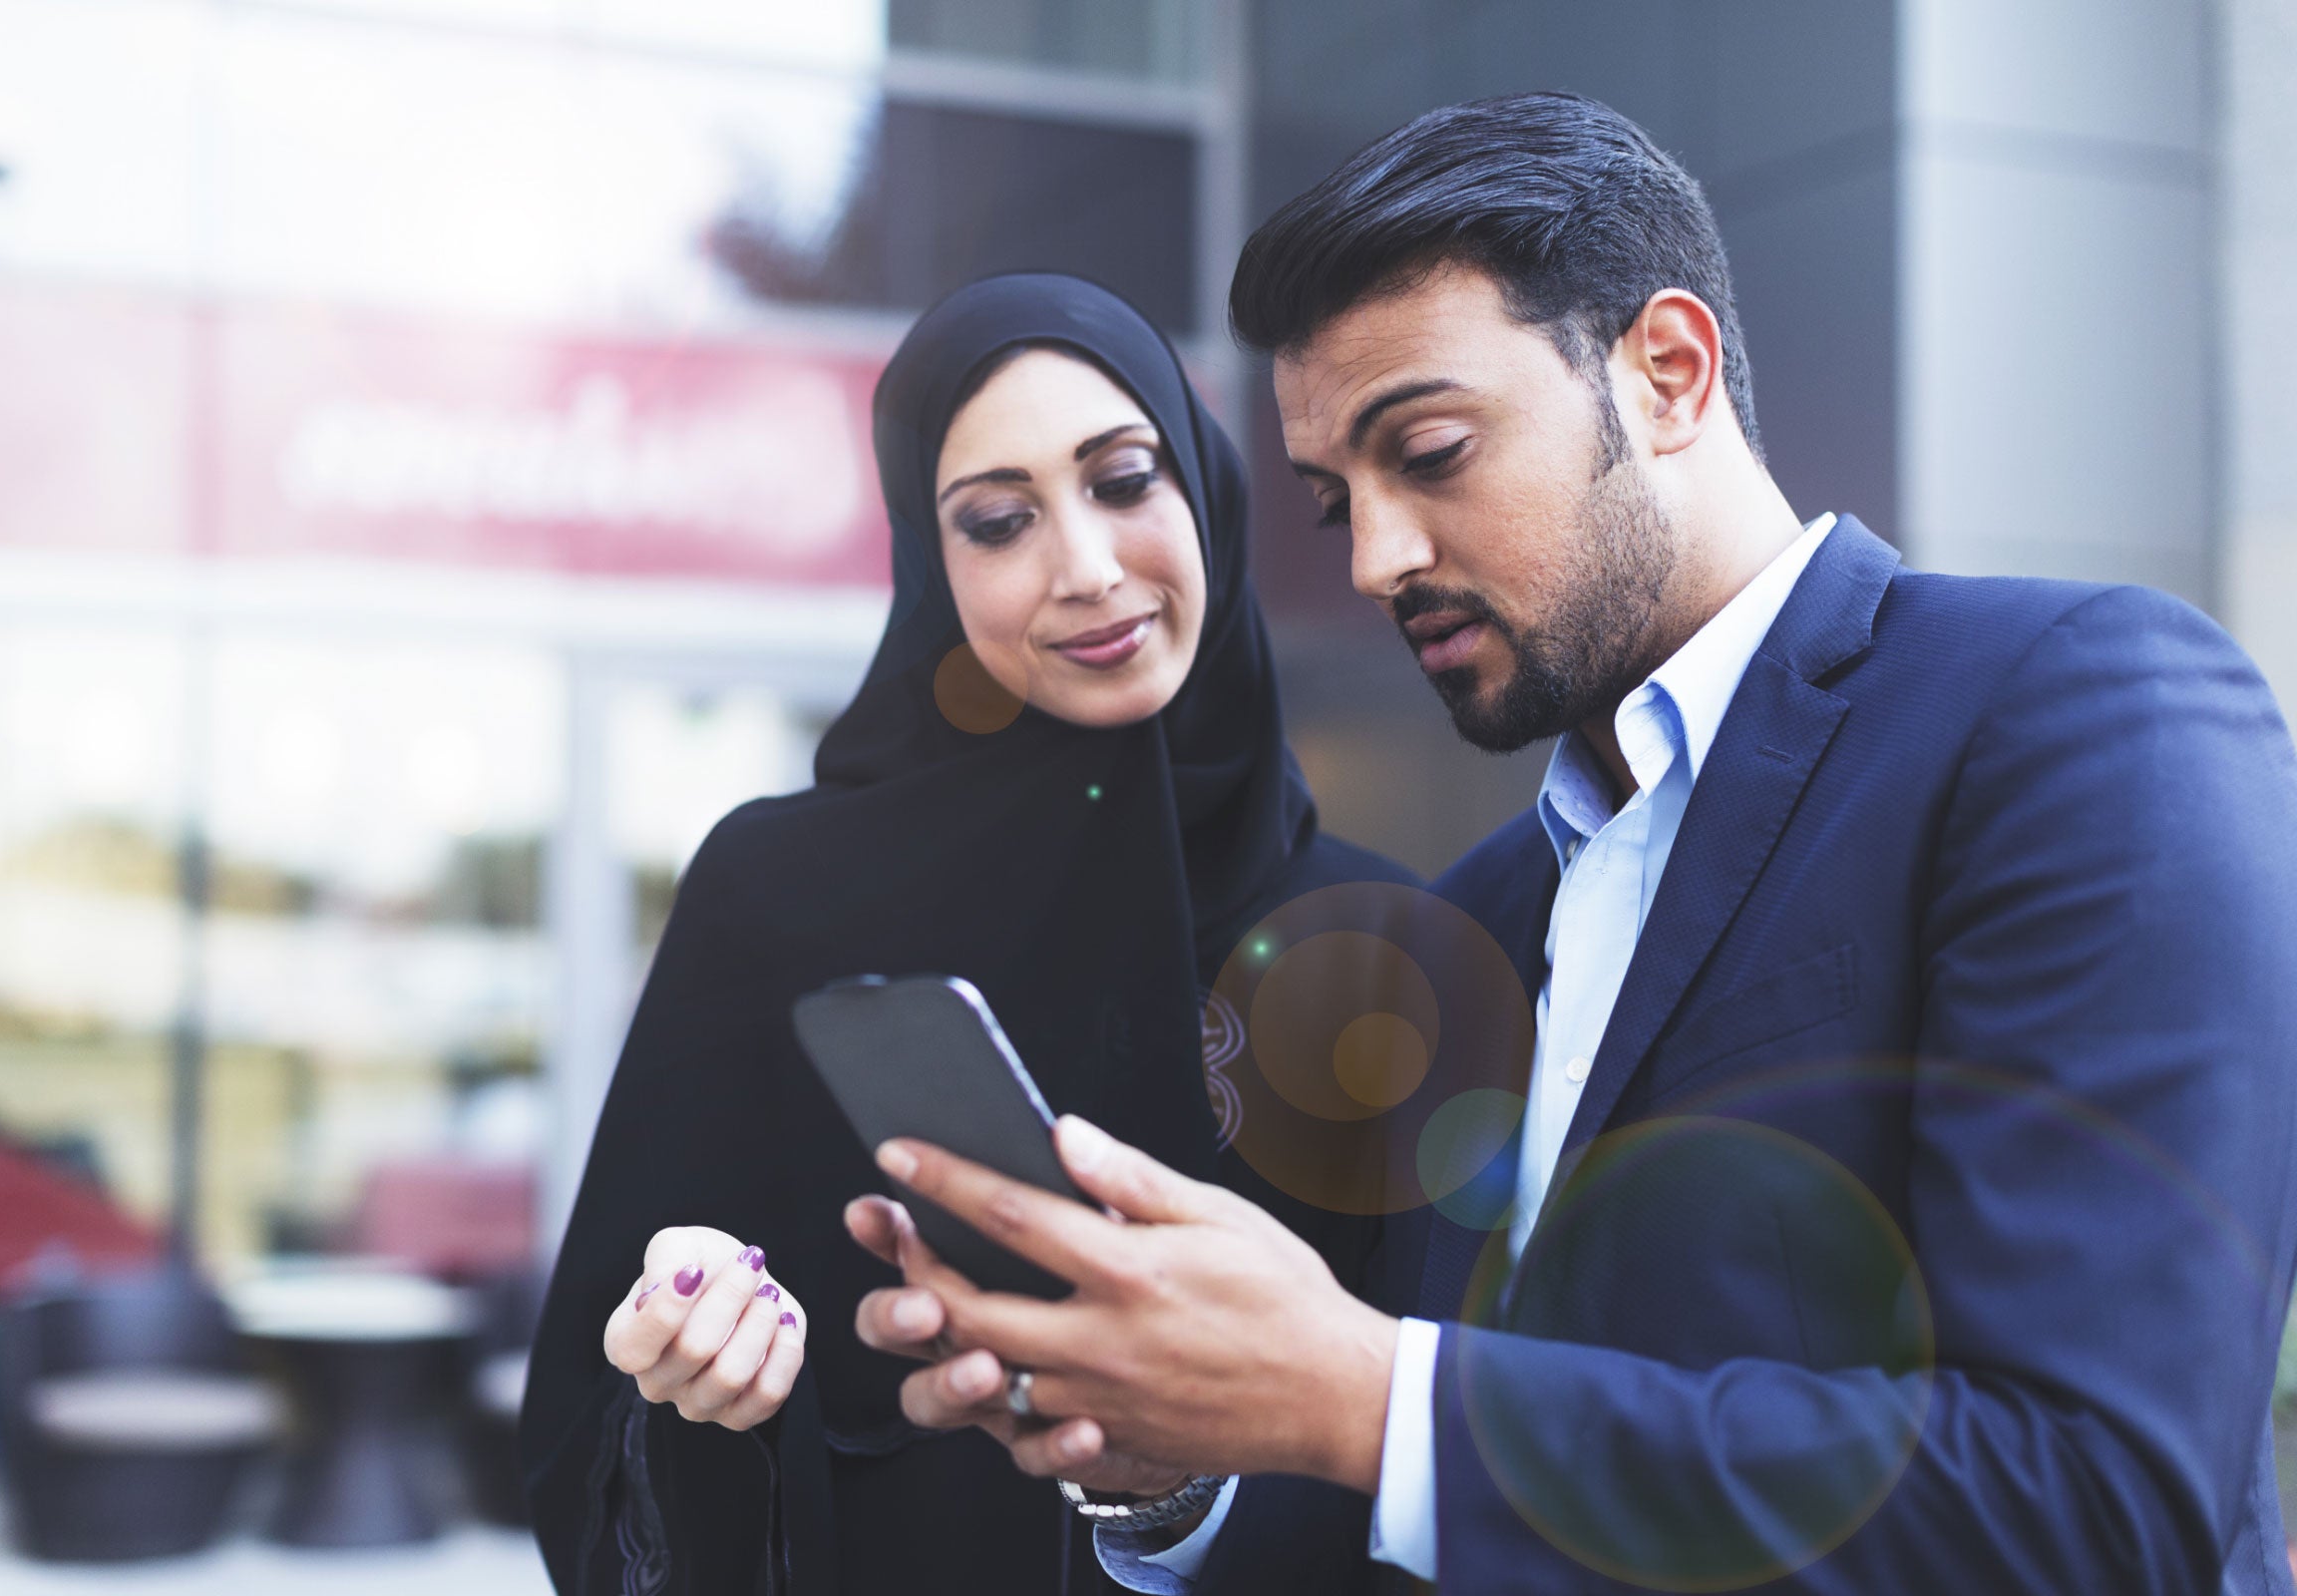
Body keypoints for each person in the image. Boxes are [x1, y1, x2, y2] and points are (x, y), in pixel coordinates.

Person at [850, 93, 2297, 1594]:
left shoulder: (2072, 713)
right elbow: (1481, 1510)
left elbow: (2094, 1504)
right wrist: (1184, 1474)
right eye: (1335, 498)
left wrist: (1368, 1393)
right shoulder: (1470, 920)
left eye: (1431, 450)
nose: (1376, 559)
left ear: (1667, 371)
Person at [519, 271, 1418, 1596]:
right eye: (998, 522)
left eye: (1124, 481)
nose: (1088, 567)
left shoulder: (1380, 942)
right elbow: (596, 1457)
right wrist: (698, 1370)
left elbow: (1443, 1469)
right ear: (930, 570)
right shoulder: (779, 894)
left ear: (1206, 496)